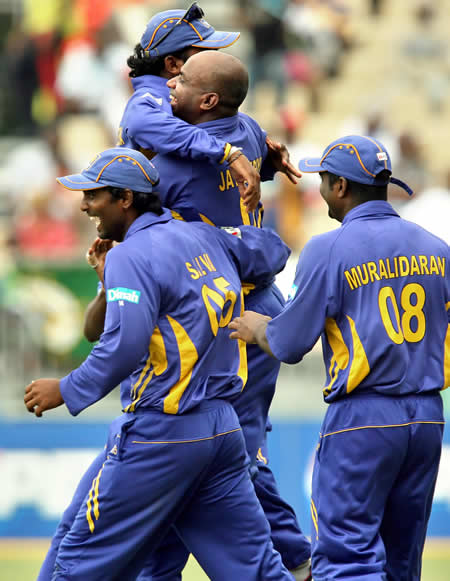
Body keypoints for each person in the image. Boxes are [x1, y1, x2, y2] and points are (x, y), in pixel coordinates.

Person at [86, 50, 311, 581]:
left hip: (217, 317)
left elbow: (135, 200)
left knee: (221, 449)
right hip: (253, 299)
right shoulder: (250, 132)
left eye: (181, 77)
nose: (170, 84)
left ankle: (297, 562)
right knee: (223, 451)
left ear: (207, 99)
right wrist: (261, 161)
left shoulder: (172, 163)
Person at [24, 147, 294, 581]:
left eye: (93, 195)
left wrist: (67, 389)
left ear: (125, 199)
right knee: (255, 572)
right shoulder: (200, 235)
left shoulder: (134, 255)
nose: (84, 204)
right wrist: (245, 220)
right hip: (223, 431)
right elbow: (273, 253)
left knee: (77, 563)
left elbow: (123, 345)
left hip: (162, 431)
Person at [229, 134, 449, 581]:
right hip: (427, 418)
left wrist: (258, 328)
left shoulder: (327, 249)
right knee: (402, 562)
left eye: (324, 180)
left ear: (342, 188)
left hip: (363, 415)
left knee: (346, 557)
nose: (321, 189)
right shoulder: (436, 248)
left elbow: (290, 344)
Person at [117, 2, 261, 213]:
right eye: (204, 52)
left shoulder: (187, 101)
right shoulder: (149, 100)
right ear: (173, 65)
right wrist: (227, 152)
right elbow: (141, 125)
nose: (216, 57)